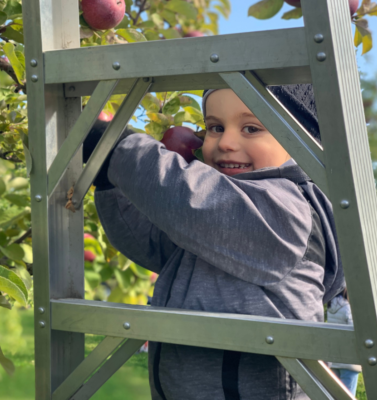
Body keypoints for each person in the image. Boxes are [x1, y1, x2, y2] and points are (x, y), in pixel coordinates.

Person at [83, 84, 345, 400]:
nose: (226, 142)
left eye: (251, 128)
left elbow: (191, 200)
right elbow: (150, 241)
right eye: (215, 127)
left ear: (303, 142)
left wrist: (118, 148)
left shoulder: (287, 209)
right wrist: (110, 182)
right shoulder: (211, 227)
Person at [327, 288, 361, 395]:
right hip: (349, 359)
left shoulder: (330, 307)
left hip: (334, 358)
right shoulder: (348, 307)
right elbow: (355, 332)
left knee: (333, 395)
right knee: (348, 396)